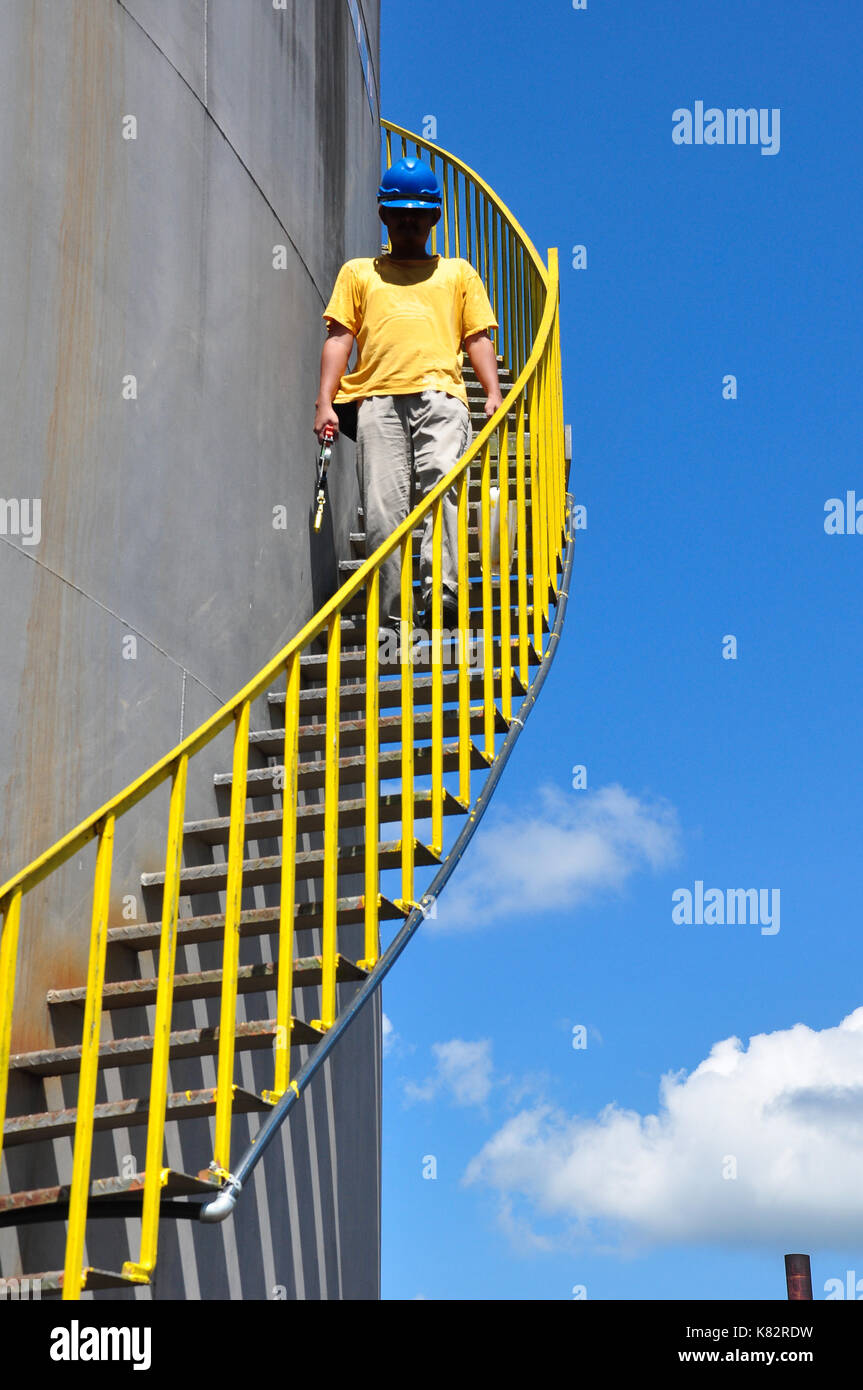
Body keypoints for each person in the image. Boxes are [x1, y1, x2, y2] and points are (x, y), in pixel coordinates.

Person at [314, 155, 503, 633]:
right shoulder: (359, 273)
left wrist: (493, 393)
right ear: (383, 214)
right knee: (382, 512)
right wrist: (324, 403)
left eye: (419, 212)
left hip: (442, 397)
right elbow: (339, 338)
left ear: (434, 217)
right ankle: (392, 616)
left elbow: (479, 337)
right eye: (400, 210)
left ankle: (442, 595)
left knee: (443, 491)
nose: (409, 219)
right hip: (375, 402)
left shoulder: (458, 274)